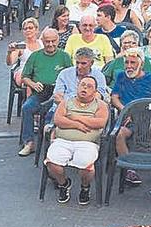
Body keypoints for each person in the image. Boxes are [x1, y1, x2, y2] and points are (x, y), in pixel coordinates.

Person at [46, 74, 109, 205]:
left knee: (86, 166)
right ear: (77, 87)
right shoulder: (66, 102)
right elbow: (58, 120)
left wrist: (75, 117)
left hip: (88, 143)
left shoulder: (101, 105)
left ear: (95, 91)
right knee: (52, 162)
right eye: (82, 85)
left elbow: (100, 123)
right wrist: (77, 125)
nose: (84, 88)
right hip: (63, 141)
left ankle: (85, 187)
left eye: (89, 86)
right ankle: (64, 184)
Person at [111, 49, 151, 186]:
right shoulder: (121, 77)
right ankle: (129, 168)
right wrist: (125, 111)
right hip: (128, 118)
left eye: (133, 63)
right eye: (127, 63)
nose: (129, 66)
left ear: (141, 64)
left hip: (149, 118)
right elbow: (114, 97)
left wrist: (145, 114)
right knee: (119, 134)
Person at [18, 28, 72, 157]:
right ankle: (29, 142)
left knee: (51, 113)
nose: (50, 44)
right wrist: (33, 84)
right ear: (42, 41)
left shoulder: (64, 56)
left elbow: (70, 76)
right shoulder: (35, 56)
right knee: (26, 108)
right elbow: (25, 77)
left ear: (58, 41)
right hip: (40, 91)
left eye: (53, 41)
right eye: (47, 41)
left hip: (57, 92)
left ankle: (51, 143)